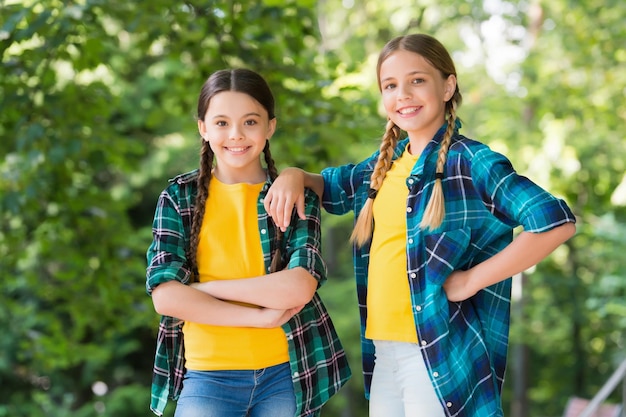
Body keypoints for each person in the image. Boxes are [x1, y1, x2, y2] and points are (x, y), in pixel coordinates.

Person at [264, 34, 576, 417]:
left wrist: (470, 280)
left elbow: (554, 222)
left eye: (417, 81)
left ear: (448, 85)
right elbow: (329, 186)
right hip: (383, 351)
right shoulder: (385, 165)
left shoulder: (471, 161)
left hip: (437, 353)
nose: (403, 95)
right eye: (390, 86)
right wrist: (294, 174)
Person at [145, 68, 350, 417]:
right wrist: (259, 319)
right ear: (203, 128)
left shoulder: (294, 197)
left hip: (286, 375)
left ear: (270, 126)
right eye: (222, 122)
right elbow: (165, 297)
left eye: (250, 122)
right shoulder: (179, 199)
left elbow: (298, 287)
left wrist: (203, 289)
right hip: (208, 376)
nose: (236, 135)